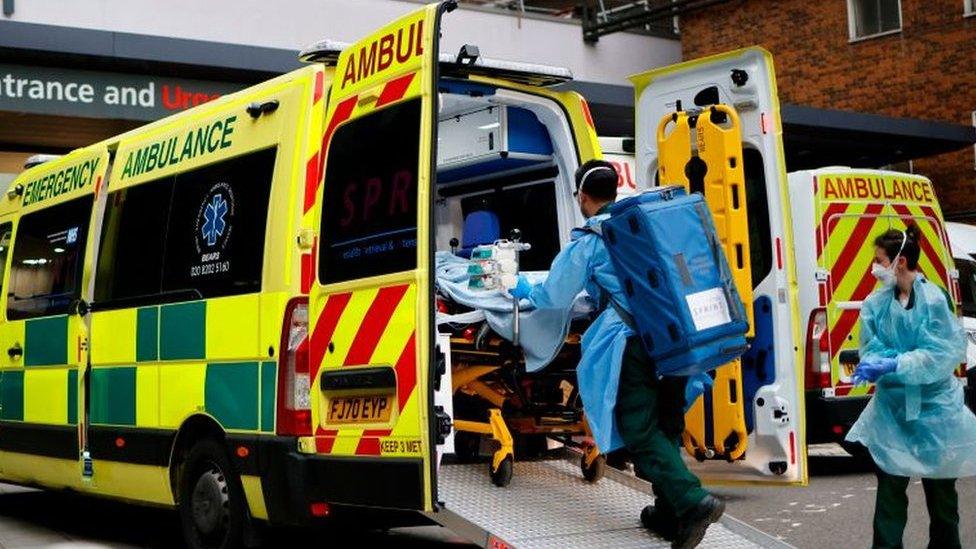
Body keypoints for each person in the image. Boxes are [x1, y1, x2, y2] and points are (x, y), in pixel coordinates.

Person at [508, 159, 723, 549]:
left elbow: (555, 295)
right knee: (666, 425)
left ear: (583, 196)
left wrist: (526, 290)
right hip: (677, 337)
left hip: (633, 343)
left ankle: (692, 502)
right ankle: (669, 511)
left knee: (639, 428)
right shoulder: (645, 223)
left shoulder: (593, 239)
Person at [846, 226, 976, 549]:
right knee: (889, 495)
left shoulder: (934, 300)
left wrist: (894, 363)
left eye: (879, 260)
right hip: (894, 413)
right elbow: (871, 349)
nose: (874, 268)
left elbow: (940, 356)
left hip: (935, 413)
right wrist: (887, 362)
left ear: (899, 262)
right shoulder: (875, 305)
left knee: (942, 498)